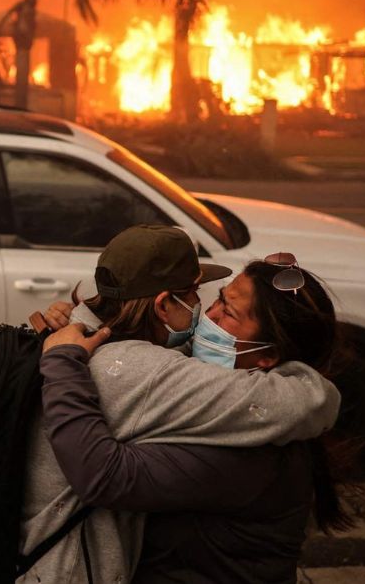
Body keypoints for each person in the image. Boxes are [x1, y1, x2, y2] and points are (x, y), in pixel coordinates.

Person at [18, 226, 343, 584]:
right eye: (212, 297)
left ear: (268, 355)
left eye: (227, 312)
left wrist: (67, 346)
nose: (208, 315)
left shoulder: (255, 449)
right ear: (163, 304)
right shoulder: (178, 381)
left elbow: (108, 475)